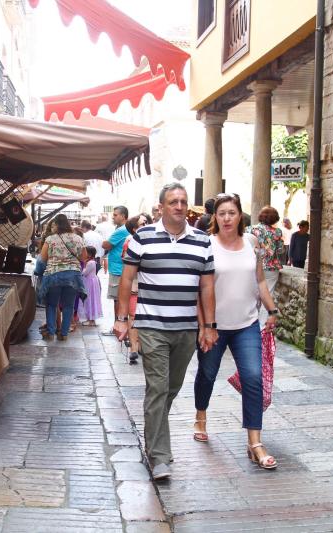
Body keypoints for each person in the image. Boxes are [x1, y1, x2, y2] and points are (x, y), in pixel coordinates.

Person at [115, 183, 217, 481]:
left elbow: (207, 285)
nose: (179, 206)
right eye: (173, 201)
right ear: (161, 207)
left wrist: (208, 326)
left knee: (170, 389)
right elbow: (126, 279)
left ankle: (154, 428)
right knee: (158, 388)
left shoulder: (201, 240)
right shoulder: (141, 238)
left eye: (183, 201)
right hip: (151, 325)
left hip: (186, 328)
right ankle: (160, 456)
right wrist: (122, 319)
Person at [193, 193, 279, 469]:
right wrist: (204, 325)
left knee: (253, 377)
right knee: (207, 374)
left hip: (246, 325)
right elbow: (198, 289)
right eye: (222, 214)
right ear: (215, 217)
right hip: (214, 326)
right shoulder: (206, 244)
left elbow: (261, 282)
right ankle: (200, 416)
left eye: (232, 213)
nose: (227, 218)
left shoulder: (251, 243)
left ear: (240, 215)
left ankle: (255, 442)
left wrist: (272, 310)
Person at [39, 214, 86, 341]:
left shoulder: (50, 239)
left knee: (52, 304)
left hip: (54, 275)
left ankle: (50, 332)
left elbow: (43, 258)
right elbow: (83, 257)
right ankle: (64, 333)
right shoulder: (78, 238)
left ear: (56, 225)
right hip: (73, 276)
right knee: (68, 305)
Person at [121, 214, 150, 363]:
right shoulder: (129, 241)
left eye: (147, 222)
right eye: (142, 224)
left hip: (150, 286)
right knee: (133, 316)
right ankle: (134, 347)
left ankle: (139, 346)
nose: (145, 225)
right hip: (135, 285)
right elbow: (127, 266)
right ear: (134, 228)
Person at [249, 206, 284, 326]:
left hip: (254, 266)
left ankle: (250, 323)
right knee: (267, 294)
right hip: (271, 267)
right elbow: (280, 250)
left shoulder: (251, 229)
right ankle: (262, 326)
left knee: (253, 294)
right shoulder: (277, 232)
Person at [102, 206, 130, 333]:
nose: (113, 217)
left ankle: (117, 327)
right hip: (120, 267)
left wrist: (105, 243)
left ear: (123, 216)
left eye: (115, 215)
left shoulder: (122, 230)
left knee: (117, 299)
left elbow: (106, 244)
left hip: (118, 269)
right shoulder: (123, 229)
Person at [78, 246, 103, 326]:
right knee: (91, 300)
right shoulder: (92, 261)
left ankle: (91, 319)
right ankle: (91, 319)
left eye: (85, 252)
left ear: (89, 254)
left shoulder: (90, 263)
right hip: (91, 282)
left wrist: (83, 266)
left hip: (90, 283)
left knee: (90, 300)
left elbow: (84, 273)